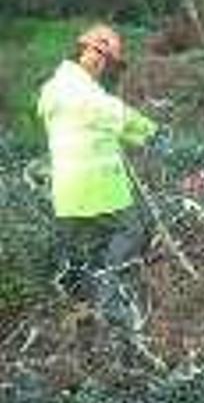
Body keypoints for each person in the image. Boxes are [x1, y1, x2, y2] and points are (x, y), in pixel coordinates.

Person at [37, 24, 158, 343]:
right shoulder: (80, 89)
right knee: (136, 229)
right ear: (92, 53)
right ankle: (113, 310)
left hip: (68, 195)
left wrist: (140, 137)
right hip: (98, 191)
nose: (109, 70)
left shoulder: (55, 87)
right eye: (109, 62)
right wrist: (153, 132)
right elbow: (116, 115)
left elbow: (107, 125)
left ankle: (88, 321)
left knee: (94, 252)